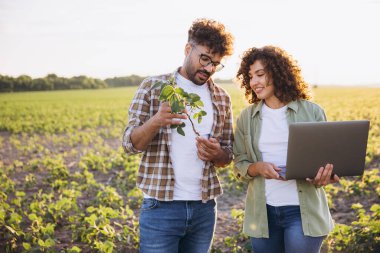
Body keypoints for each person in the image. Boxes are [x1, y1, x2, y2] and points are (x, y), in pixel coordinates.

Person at [122, 18, 234, 253]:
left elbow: (227, 156)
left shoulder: (222, 97)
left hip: (204, 209)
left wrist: (217, 153)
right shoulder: (153, 87)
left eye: (216, 63)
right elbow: (130, 144)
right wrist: (157, 121)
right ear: (187, 49)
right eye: (205, 58)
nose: (209, 68)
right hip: (161, 208)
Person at [233, 45, 340, 253]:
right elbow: (239, 162)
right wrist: (258, 168)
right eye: (250, 77)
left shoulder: (312, 112)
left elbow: (326, 161)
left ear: (278, 72)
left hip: (303, 213)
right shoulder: (247, 117)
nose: (254, 82)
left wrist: (324, 176)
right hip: (262, 214)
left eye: (260, 74)